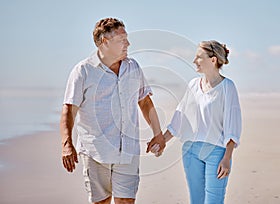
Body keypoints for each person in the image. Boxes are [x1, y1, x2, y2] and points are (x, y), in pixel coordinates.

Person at [60, 17, 165, 204]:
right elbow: (69, 110)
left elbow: (145, 102)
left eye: (127, 38)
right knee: (102, 202)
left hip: (128, 151)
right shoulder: (83, 71)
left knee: (126, 201)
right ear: (104, 42)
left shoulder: (133, 67)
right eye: (121, 40)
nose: (128, 44)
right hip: (95, 151)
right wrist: (67, 144)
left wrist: (158, 133)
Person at [147, 40, 242, 204]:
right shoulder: (193, 85)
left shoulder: (228, 87)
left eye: (199, 57)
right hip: (191, 151)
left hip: (217, 153)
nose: (194, 61)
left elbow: (233, 125)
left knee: (214, 201)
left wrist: (227, 158)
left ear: (213, 60)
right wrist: (161, 140)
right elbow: (180, 119)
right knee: (196, 201)